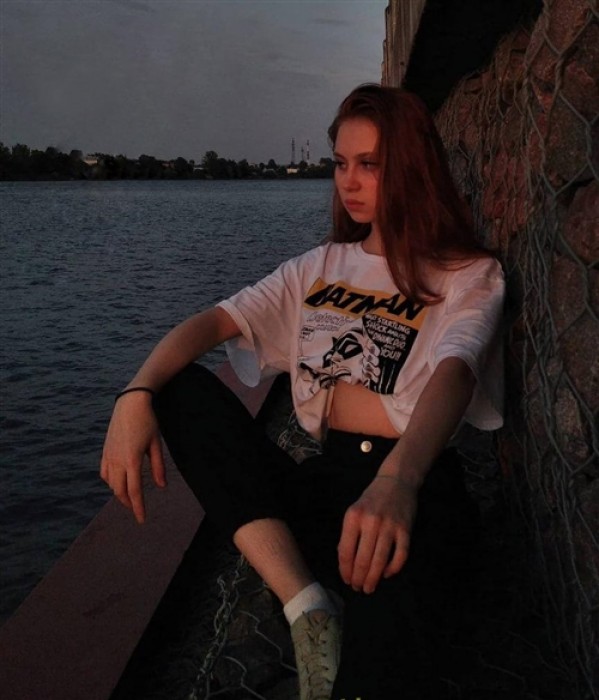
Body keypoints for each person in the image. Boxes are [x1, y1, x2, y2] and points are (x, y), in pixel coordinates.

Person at [101, 84, 505, 700]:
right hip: (324, 482)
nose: (349, 182)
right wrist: (133, 395)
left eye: (370, 164)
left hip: (415, 487)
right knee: (178, 390)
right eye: (340, 163)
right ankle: (305, 605)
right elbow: (210, 324)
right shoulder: (317, 268)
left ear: (413, 167)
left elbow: (457, 369)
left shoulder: (467, 274)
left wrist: (398, 484)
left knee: (373, 676)